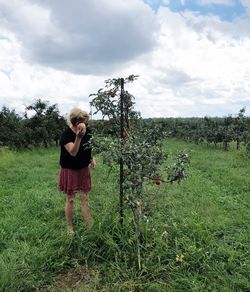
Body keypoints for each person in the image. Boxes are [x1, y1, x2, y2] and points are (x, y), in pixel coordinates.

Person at [58, 107, 96, 236]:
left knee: (85, 198)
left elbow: (90, 146)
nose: (83, 124)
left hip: (83, 169)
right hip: (70, 169)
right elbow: (73, 152)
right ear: (74, 122)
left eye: (85, 121)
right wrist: (78, 137)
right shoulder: (66, 135)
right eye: (81, 121)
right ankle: (70, 227)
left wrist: (92, 158)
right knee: (71, 199)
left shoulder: (87, 131)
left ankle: (90, 225)